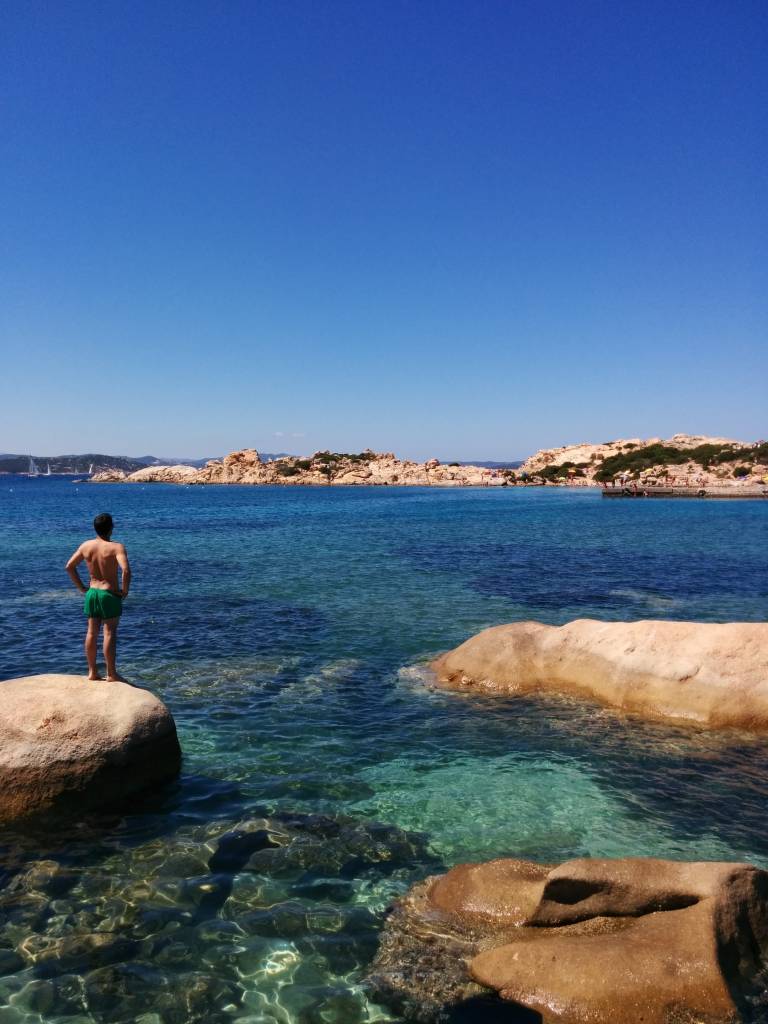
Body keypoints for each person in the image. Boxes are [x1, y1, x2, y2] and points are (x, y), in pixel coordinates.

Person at [65, 513, 131, 681]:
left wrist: (81, 588)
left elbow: (69, 567)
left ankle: (92, 672)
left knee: (91, 633)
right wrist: (124, 591)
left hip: (92, 593)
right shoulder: (116, 547)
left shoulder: (86, 546)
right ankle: (111, 674)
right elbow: (126, 570)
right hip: (109, 594)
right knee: (109, 633)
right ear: (111, 528)